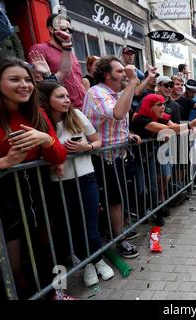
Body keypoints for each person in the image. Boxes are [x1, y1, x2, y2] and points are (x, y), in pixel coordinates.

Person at [0, 58, 68, 299]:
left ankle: (57, 293)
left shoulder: (39, 113)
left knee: (48, 250)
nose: (24, 85)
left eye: (27, 79)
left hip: (39, 193)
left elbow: (58, 156)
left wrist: (46, 140)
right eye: (14, 79)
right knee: (9, 267)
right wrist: (1, 164)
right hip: (1, 201)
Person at [37, 80, 115, 287]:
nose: (67, 100)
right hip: (59, 183)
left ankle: (97, 261)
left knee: (90, 225)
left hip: (86, 177)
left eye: (67, 95)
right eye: (60, 96)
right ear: (46, 100)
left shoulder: (77, 115)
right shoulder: (41, 122)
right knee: (75, 227)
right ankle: (89, 264)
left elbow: (98, 141)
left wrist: (86, 146)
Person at [83, 56, 153, 258]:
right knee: (113, 200)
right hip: (102, 157)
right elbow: (118, 113)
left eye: (125, 71)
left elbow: (116, 121)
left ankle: (117, 231)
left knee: (117, 198)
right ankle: (118, 240)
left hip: (116, 156)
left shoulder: (113, 93)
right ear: (107, 74)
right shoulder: (96, 92)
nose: (125, 73)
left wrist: (127, 135)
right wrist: (132, 81)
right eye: (120, 71)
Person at [130, 94, 196, 219]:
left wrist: (195, 127)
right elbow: (169, 129)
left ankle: (156, 211)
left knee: (154, 184)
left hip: (149, 153)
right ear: (150, 106)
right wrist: (190, 125)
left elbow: (173, 127)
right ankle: (143, 214)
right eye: (159, 104)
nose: (163, 107)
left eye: (164, 104)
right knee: (141, 187)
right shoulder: (140, 119)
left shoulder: (160, 116)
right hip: (136, 156)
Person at [28, 14, 86, 109]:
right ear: (51, 29)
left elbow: (78, 79)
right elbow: (39, 85)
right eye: (63, 28)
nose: (67, 32)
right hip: (64, 108)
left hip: (83, 106)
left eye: (69, 30)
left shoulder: (70, 53)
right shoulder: (39, 49)